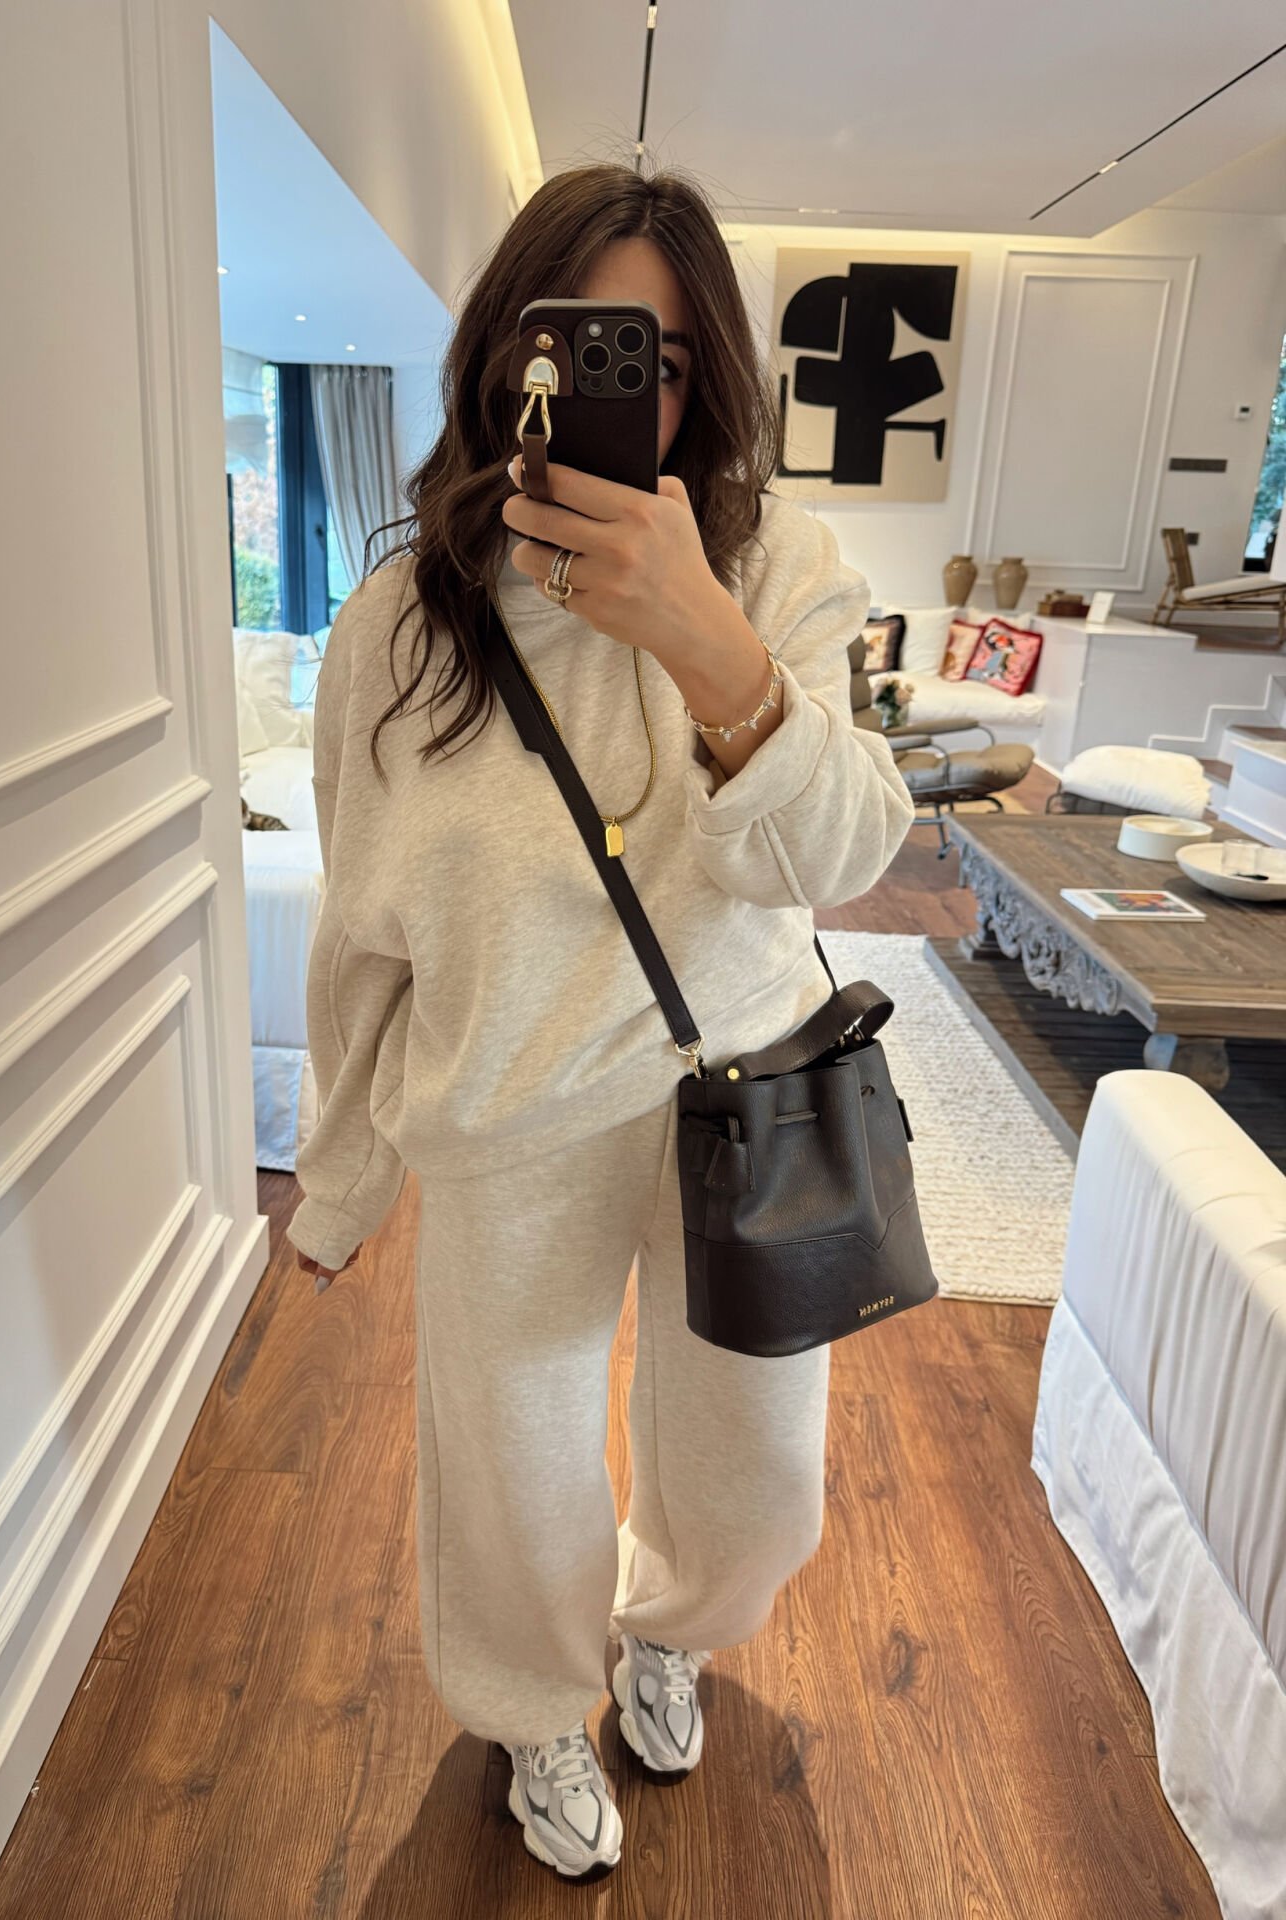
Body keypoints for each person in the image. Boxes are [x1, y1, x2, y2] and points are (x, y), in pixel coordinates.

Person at [285, 161, 915, 1880]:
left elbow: (846, 851)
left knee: (757, 1471)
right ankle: (531, 1713)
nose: (624, 390)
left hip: (744, 1089)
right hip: (509, 1111)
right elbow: (358, 937)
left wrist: (710, 645)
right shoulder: (399, 628)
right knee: (514, 1472)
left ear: (704, 384)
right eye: (580, 347)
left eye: (664, 359)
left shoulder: (776, 569)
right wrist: (339, 1181)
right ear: (509, 357)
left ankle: (672, 1630)